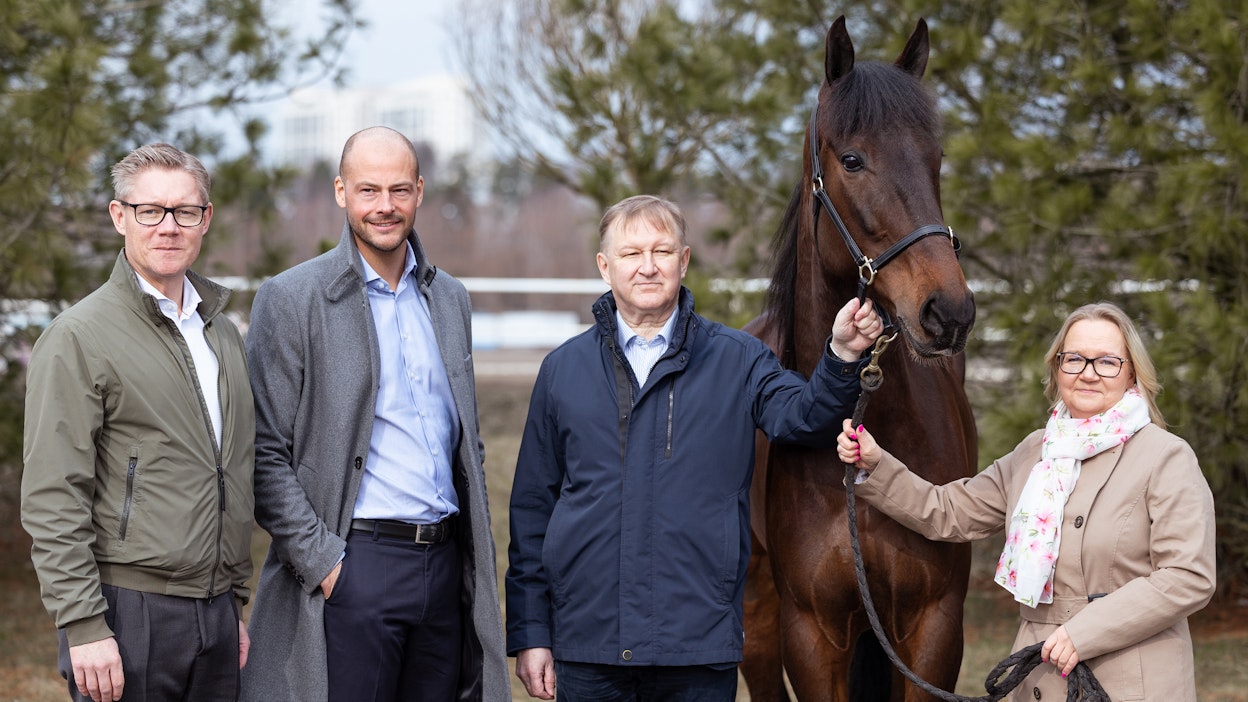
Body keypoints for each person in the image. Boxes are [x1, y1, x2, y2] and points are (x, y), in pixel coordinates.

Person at [506, 194, 884, 701]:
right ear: (604, 266)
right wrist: (532, 632)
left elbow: (804, 418)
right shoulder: (562, 370)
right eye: (630, 253)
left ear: (683, 261)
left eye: (662, 251)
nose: (647, 267)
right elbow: (533, 511)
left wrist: (841, 354)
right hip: (588, 644)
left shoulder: (739, 359)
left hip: (697, 647)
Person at [240, 126, 508, 702]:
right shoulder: (292, 299)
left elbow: (466, 440)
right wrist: (327, 565)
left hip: (445, 569)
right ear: (341, 192)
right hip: (357, 565)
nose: (384, 206)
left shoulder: (450, 299)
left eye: (398, 190)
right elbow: (262, 453)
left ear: (419, 191)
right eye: (368, 190)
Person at [837, 301, 1216, 701]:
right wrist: (877, 465)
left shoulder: (1166, 456)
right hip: (1041, 677)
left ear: (1132, 373)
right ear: (1057, 369)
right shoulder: (1035, 452)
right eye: (1074, 359)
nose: (1088, 373)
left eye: (1107, 362)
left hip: (1134, 681)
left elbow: (1187, 576)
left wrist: (1085, 632)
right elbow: (949, 511)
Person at [20, 143, 255, 702]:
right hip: (128, 611)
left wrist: (234, 603)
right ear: (119, 216)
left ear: (205, 219)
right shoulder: (78, 337)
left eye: (184, 211)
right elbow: (54, 495)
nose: (168, 227)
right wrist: (83, 624)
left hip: (217, 613)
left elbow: (234, 469)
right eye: (150, 210)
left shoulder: (221, 333)